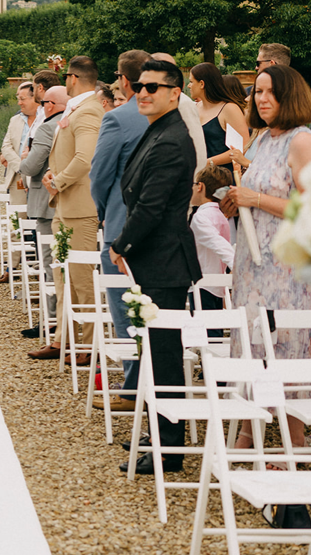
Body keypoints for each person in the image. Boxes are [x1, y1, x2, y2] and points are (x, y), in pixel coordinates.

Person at [109, 59, 202, 475]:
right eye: (139, 86)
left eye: (152, 87)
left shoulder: (171, 139)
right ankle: (158, 436)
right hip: (153, 259)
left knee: (164, 356)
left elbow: (151, 206)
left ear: (174, 93)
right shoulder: (158, 129)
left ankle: (169, 451)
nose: (142, 93)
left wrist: (122, 244)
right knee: (153, 351)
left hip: (163, 261)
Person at [227, 65, 311, 454]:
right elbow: (249, 190)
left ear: (289, 96)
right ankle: (248, 430)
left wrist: (256, 200)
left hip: (285, 266)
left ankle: (293, 440)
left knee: (287, 344)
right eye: (256, 92)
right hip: (251, 261)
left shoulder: (301, 140)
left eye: (269, 93)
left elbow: (306, 205)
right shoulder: (259, 140)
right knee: (251, 341)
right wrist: (232, 199)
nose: (261, 100)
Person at [29, 56, 105, 363]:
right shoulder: (76, 109)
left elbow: (85, 160)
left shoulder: (89, 111)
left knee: (82, 279)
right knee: (62, 276)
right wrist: (53, 174)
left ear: (73, 78)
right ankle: (62, 338)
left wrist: (57, 181)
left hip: (81, 208)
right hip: (63, 206)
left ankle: (87, 345)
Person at [87, 49, 151, 407]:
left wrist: (102, 210)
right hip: (159, 228)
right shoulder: (176, 113)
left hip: (120, 224)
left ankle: (131, 388)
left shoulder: (118, 118)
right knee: (153, 307)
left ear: (123, 80)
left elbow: (100, 173)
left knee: (123, 309)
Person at [18, 86, 67, 339]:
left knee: (50, 265)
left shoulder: (49, 127)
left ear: (49, 105)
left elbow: (32, 165)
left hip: (47, 203)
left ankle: (50, 322)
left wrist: (22, 159)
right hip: (68, 204)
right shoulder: (71, 121)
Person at [0, 82, 42, 282]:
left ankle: (40, 266)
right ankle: (12, 267)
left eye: (22, 98)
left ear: (35, 98)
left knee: (41, 222)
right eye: (18, 98)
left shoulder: (46, 119)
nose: (19, 102)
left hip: (41, 178)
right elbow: (6, 146)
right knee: (16, 222)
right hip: (18, 179)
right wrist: (22, 167)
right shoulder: (15, 120)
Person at [190, 162, 235, 314]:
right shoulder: (221, 216)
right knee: (214, 332)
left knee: (206, 333)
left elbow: (219, 245)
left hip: (203, 285)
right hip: (216, 287)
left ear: (200, 186)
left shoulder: (201, 217)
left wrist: (238, 267)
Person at [189, 61, 249, 171]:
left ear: (202, 84)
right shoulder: (194, 107)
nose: (188, 86)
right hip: (198, 176)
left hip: (222, 176)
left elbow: (242, 146)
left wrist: (208, 162)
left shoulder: (229, 108)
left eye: (191, 82)